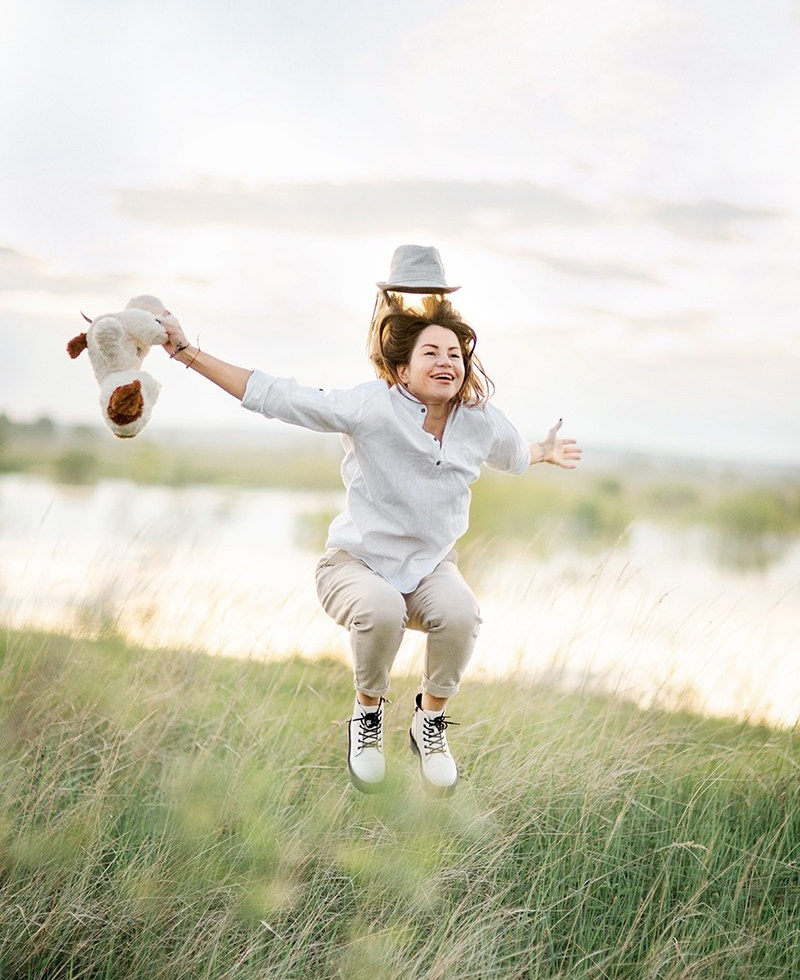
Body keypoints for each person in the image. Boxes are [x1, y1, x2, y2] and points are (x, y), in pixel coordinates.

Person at [160, 245, 581, 798]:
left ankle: (429, 722)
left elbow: (514, 456)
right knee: (381, 612)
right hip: (354, 567)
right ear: (402, 369)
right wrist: (186, 352)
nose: (446, 362)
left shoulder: (479, 422)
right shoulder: (371, 407)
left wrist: (544, 453)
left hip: (430, 568)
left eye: (455, 353)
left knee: (461, 614)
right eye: (431, 352)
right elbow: (276, 397)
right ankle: (367, 717)